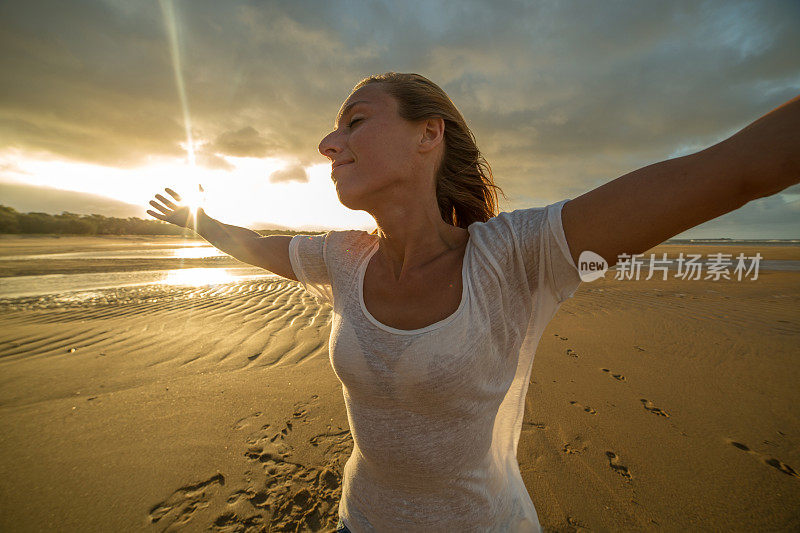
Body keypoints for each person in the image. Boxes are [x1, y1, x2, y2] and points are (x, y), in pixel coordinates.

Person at [147, 72, 799, 532]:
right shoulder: (340, 258)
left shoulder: (517, 256)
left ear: (427, 134)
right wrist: (199, 220)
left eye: (355, 122)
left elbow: (735, 168)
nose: (328, 142)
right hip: (359, 519)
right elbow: (256, 243)